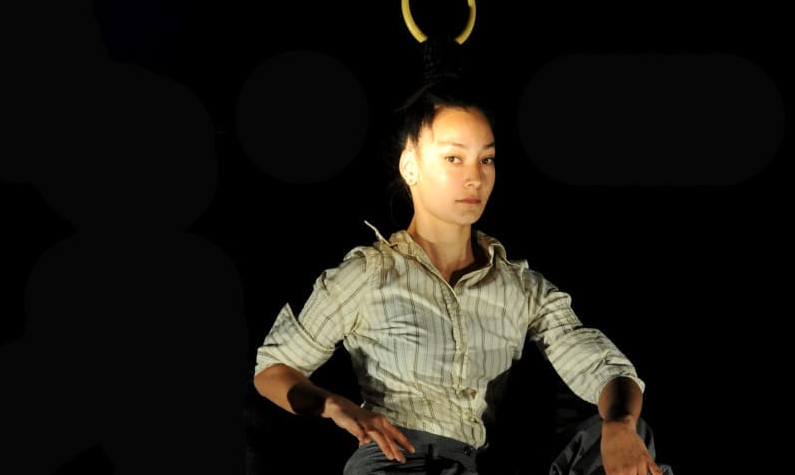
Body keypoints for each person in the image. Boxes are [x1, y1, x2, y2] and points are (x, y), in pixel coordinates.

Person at [251, 74, 670, 475]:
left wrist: (619, 424)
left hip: (480, 463)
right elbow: (274, 371)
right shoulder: (370, 273)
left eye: (486, 159)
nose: (475, 176)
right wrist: (337, 406)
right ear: (410, 166)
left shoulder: (518, 287)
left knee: (620, 438)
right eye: (454, 158)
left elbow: (605, 368)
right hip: (399, 463)